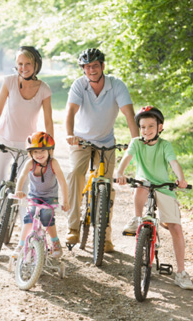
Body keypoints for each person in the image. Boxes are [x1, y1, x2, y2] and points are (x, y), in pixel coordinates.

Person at [65, 48, 139, 252]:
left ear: (103, 66)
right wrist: (70, 134)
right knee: (75, 175)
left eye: (95, 66)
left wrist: (136, 143)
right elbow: (70, 111)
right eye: (87, 67)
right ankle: (73, 227)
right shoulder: (79, 85)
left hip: (106, 142)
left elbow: (129, 115)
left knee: (106, 186)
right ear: (83, 69)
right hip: (81, 141)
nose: (91, 70)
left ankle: (105, 237)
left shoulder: (116, 85)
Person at [117, 106, 193, 290]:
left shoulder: (164, 145)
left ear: (160, 127)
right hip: (144, 184)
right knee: (142, 183)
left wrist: (181, 179)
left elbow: (173, 163)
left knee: (175, 227)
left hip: (164, 187)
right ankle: (137, 219)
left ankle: (181, 272)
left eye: (151, 126)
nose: (146, 130)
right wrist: (120, 173)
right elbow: (127, 158)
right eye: (143, 127)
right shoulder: (136, 142)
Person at [0, 46, 54, 238]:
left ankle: (26, 229)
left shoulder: (44, 89)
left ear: (36, 64)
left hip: (28, 145)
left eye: (28, 63)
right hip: (4, 141)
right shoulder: (9, 82)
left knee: (26, 188)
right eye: (20, 63)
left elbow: (48, 121)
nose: (23, 67)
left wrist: (49, 147)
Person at [12, 131, 70, 259]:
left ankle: (55, 242)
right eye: (35, 152)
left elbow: (62, 182)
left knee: (47, 216)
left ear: (50, 151)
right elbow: (22, 177)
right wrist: (18, 190)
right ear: (30, 153)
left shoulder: (53, 163)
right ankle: (21, 245)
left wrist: (65, 201)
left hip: (50, 197)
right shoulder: (30, 163)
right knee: (29, 216)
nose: (39, 155)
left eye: (42, 151)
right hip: (34, 196)